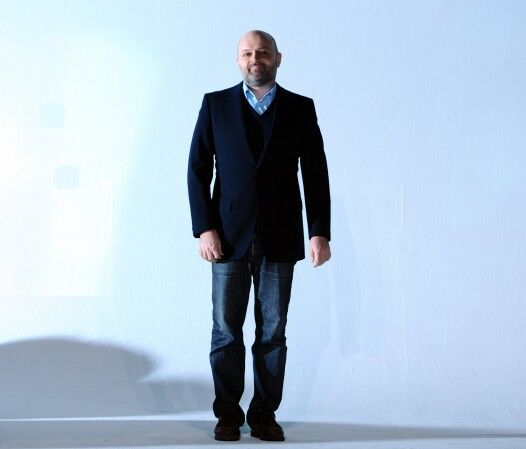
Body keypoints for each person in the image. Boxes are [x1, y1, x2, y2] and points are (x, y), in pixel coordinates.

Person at [187, 30, 331, 442]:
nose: (256, 59)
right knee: (225, 330)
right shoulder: (215, 105)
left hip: (280, 236)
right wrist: (204, 228)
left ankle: (265, 414)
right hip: (227, 238)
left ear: (277, 58)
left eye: (263, 52)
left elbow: (315, 174)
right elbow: (197, 169)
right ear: (238, 60)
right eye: (248, 53)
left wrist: (319, 232)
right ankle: (228, 415)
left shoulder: (300, 108)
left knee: (273, 331)